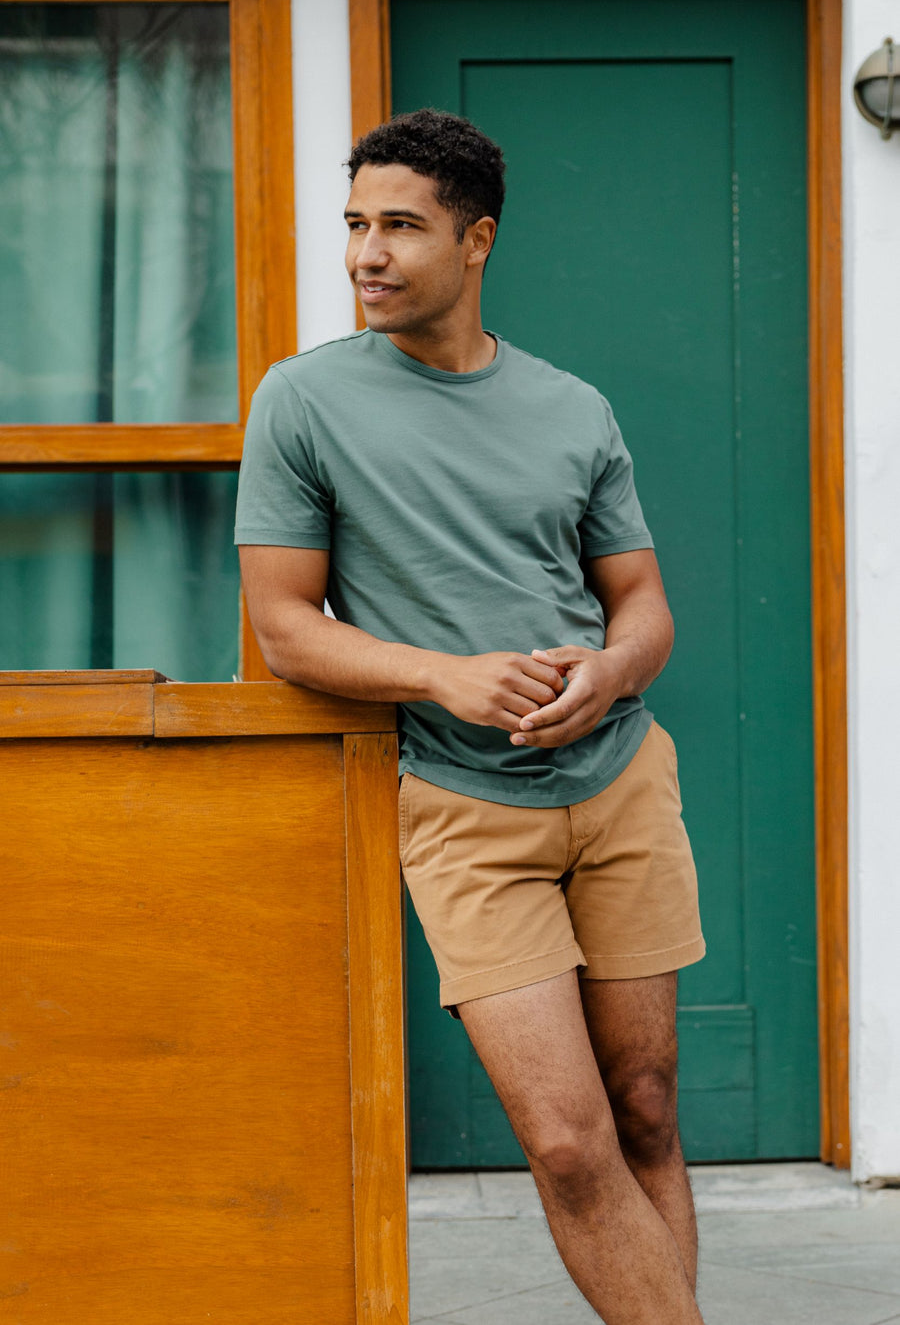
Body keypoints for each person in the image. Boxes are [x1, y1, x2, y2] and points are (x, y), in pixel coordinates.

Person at [235, 107, 706, 1325]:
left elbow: (642, 605)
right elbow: (285, 627)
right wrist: (441, 676)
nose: (366, 255)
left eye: (401, 226)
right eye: (355, 226)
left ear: (476, 239)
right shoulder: (303, 402)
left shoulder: (572, 407)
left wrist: (611, 674)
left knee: (646, 1102)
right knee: (564, 1137)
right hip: (464, 809)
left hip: (619, 784)